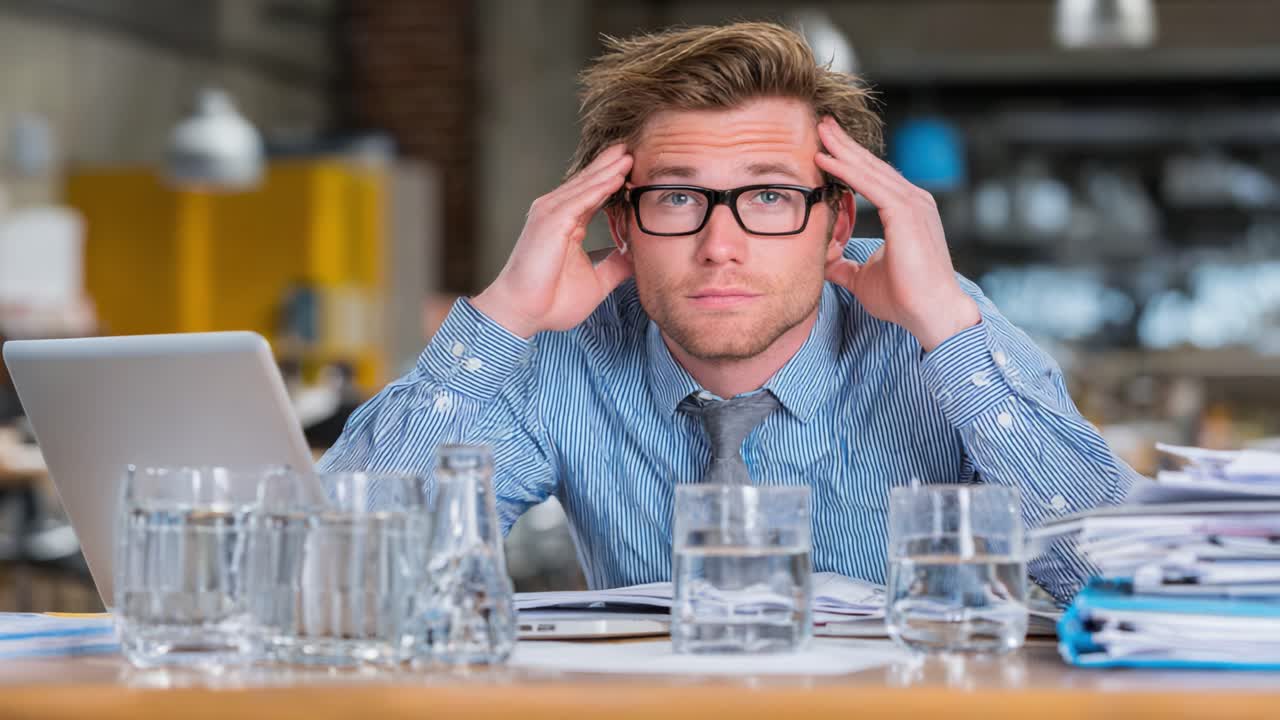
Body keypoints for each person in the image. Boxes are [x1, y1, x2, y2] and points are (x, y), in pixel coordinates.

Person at [320, 21, 1139, 602]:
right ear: (620, 224)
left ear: (837, 225)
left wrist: (950, 331)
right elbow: (343, 578)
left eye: (771, 197)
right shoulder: (558, 348)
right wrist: (501, 317)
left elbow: (1121, 585)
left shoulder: (940, 331)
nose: (721, 246)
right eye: (678, 199)